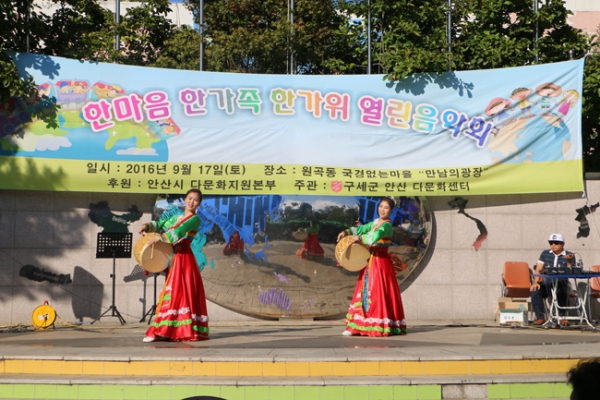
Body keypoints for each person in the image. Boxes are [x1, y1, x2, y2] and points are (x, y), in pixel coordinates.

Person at [139, 188, 209, 342]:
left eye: (195, 200)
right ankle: (170, 329)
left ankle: (165, 330)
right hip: (174, 258)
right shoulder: (177, 217)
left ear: (199, 203)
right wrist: (147, 227)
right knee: (175, 293)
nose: (192, 202)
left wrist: (161, 238)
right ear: (185, 199)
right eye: (190, 198)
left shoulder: (195, 219)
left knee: (179, 292)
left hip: (184, 258)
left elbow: (179, 231)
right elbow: (160, 223)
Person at [336, 197, 407, 337]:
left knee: (377, 293)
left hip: (380, 263)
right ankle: (357, 326)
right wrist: (347, 232)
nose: (382, 210)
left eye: (386, 207)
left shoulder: (386, 226)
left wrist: (360, 239)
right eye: (380, 206)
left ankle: (377, 324)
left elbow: (374, 237)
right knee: (363, 293)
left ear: (391, 211)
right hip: (369, 262)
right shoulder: (375, 222)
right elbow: (362, 228)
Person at [530, 233, 576, 326]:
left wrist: (569, 261)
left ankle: (562, 317)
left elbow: (570, 271)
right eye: (551, 243)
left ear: (563, 244)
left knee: (562, 290)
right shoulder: (545, 253)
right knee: (535, 291)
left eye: (556, 243)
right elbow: (538, 268)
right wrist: (536, 282)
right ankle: (540, 317)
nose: (553, 245)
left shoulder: (569, 255)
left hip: (561, 283)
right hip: (546, 283)